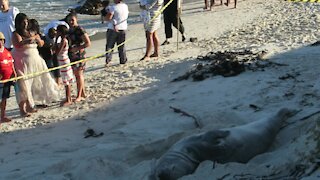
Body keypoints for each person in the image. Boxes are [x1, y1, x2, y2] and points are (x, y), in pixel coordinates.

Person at [11, 13, 60, 117]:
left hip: (35, 61)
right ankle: (22, 110)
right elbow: (18, 44)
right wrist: (31, 39)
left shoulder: (30, 32)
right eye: (23, 22)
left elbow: (41, 43)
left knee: (34, 84)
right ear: (18, 23)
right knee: (23, 86)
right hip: (21, 62)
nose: (25, 23)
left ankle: (30, 106)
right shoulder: (15, 33)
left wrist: (37, 39)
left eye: (26, 21)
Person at [66, 12, 91, 102]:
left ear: (76, 20)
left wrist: (78, 48)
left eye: (72, 20)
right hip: (72, 56)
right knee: (77, 75)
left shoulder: (79, 29)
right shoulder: (69, 30)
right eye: (69, 20)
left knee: (79, 75)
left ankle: (79, 95)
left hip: (79, 55)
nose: (71, 22)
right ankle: (82, 93)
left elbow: (88, 43)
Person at [104, 0, 129, 66]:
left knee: (109, 46)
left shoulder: (113, 7)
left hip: (113, 28)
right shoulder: (125, 6)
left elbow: (108, 18)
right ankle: (123, 60)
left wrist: (105, 14)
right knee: (121, 46)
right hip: (123, 28)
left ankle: (108, 61)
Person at [55, 25, 74, 106]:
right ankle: (68, 97)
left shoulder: (63, 41)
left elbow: (57, 52)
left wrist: (56, 40)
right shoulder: (64, 40)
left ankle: (68, 99)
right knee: (66, 80)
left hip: (63, 61)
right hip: (63, 60)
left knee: (66, 81)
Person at [0, 31, 16, 123]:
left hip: (8, 79)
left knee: (4, 98)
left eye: (2, 40)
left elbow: (11, 63)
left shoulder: (7, 51)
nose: (0, 42)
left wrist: (14, 73)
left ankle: (3, 116)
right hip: (0, 81)